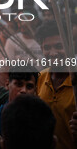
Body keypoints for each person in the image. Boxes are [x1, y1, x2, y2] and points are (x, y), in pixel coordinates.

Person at [36, 20, 76, 149]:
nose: (52, 53)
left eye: (59, 46)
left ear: (70, 46)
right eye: (47, 48)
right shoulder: (40, 77)